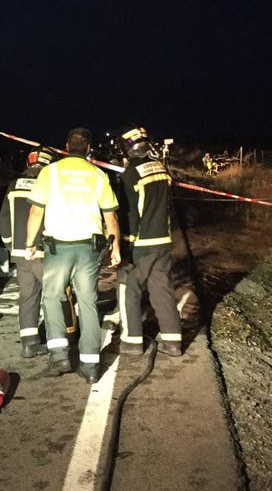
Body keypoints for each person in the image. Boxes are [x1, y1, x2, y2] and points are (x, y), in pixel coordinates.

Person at [25, 127, 121, 383]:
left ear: (66, 146)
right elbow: (110, 215)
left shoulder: (50, 172)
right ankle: (90, 367)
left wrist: (29, 243)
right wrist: (116, 249)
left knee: (53, 297)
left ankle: (59, 357)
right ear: (89, 148)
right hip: (88, 249)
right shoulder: (98, 174)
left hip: (58, 249)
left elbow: (36, 211)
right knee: (88, 302)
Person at [116, 126, 182, 356]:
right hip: (163, 240)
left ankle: (132, 341)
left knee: (129, 287)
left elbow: (130, 213)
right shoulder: (162, 169)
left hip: (142, 244)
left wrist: (126, 245)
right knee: (162, 288)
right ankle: (173, 342)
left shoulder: (131, 174)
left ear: (128, 149)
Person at [0, 146, 62, 358]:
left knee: (27, 296)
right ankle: (58, 343)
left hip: (20, 254)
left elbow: (3, 222)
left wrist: (11, 246)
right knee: (55, 296)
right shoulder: (50, 185)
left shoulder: (13, 185)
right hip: (43, 253)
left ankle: (29, 343)